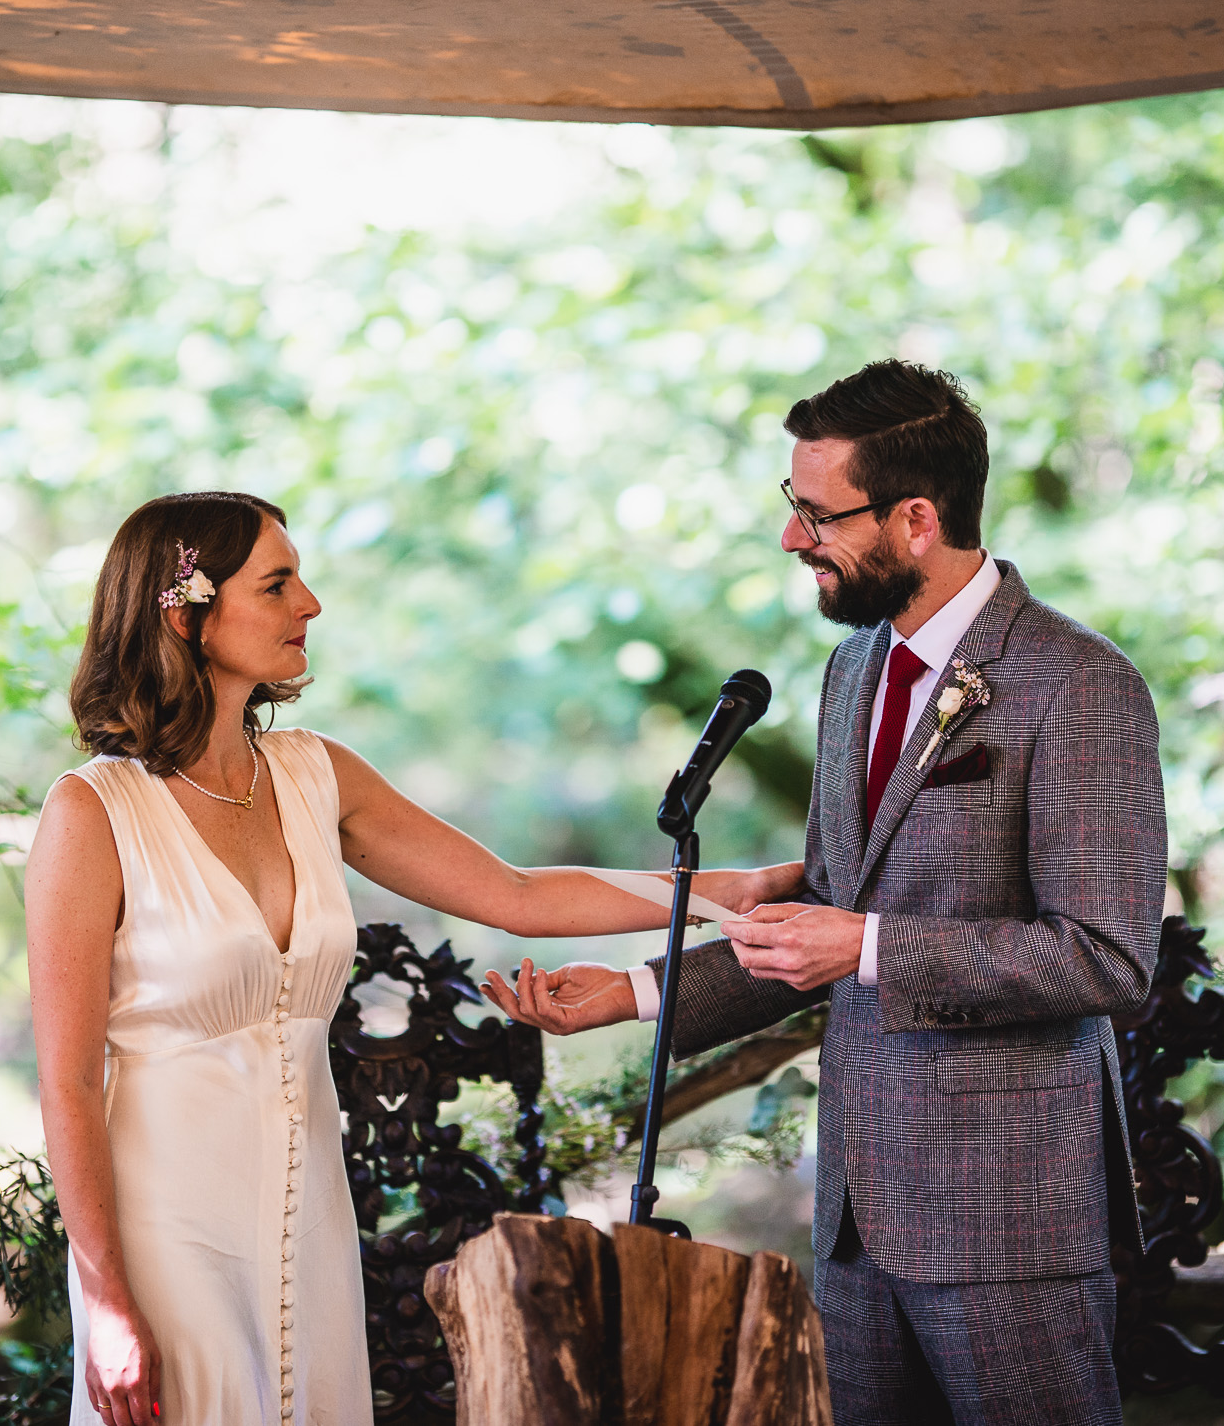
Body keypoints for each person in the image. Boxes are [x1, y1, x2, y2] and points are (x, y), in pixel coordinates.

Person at [485, 360, 1166, 1426]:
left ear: (914, 519)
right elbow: (828, 919)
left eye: (816, 513)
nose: (792, 538)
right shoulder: (851, 671)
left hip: (1005, 1224)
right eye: (791, 507)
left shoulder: (1079, 683)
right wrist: (631, 994)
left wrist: (871, 947)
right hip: (853, 1220)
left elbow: (1108, 957)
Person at [25, 491, 799, 1426]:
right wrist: (106, 1299)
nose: (310, 604)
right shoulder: (91, 814)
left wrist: (729, 891)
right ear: (186, 610)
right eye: (278, 583)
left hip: (308, 1222)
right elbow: (66, 1080)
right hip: (164, 1233)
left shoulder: (317, 775)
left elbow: (515, 894)